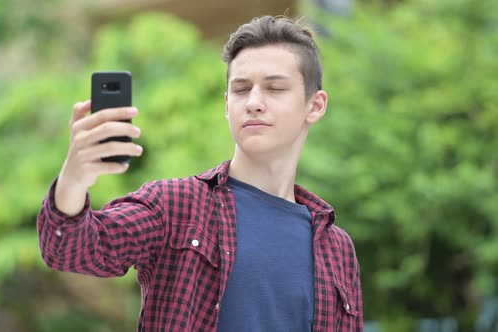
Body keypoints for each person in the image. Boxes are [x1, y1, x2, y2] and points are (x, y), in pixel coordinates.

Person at [37, 15, 363, 332]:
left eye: (275, 88)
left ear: (315, 105)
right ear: (226, 104)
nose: (253, 102)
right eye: (240, 89)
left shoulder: (336, 247)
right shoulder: (176, 206)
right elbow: (70, 250)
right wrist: (74, 179)